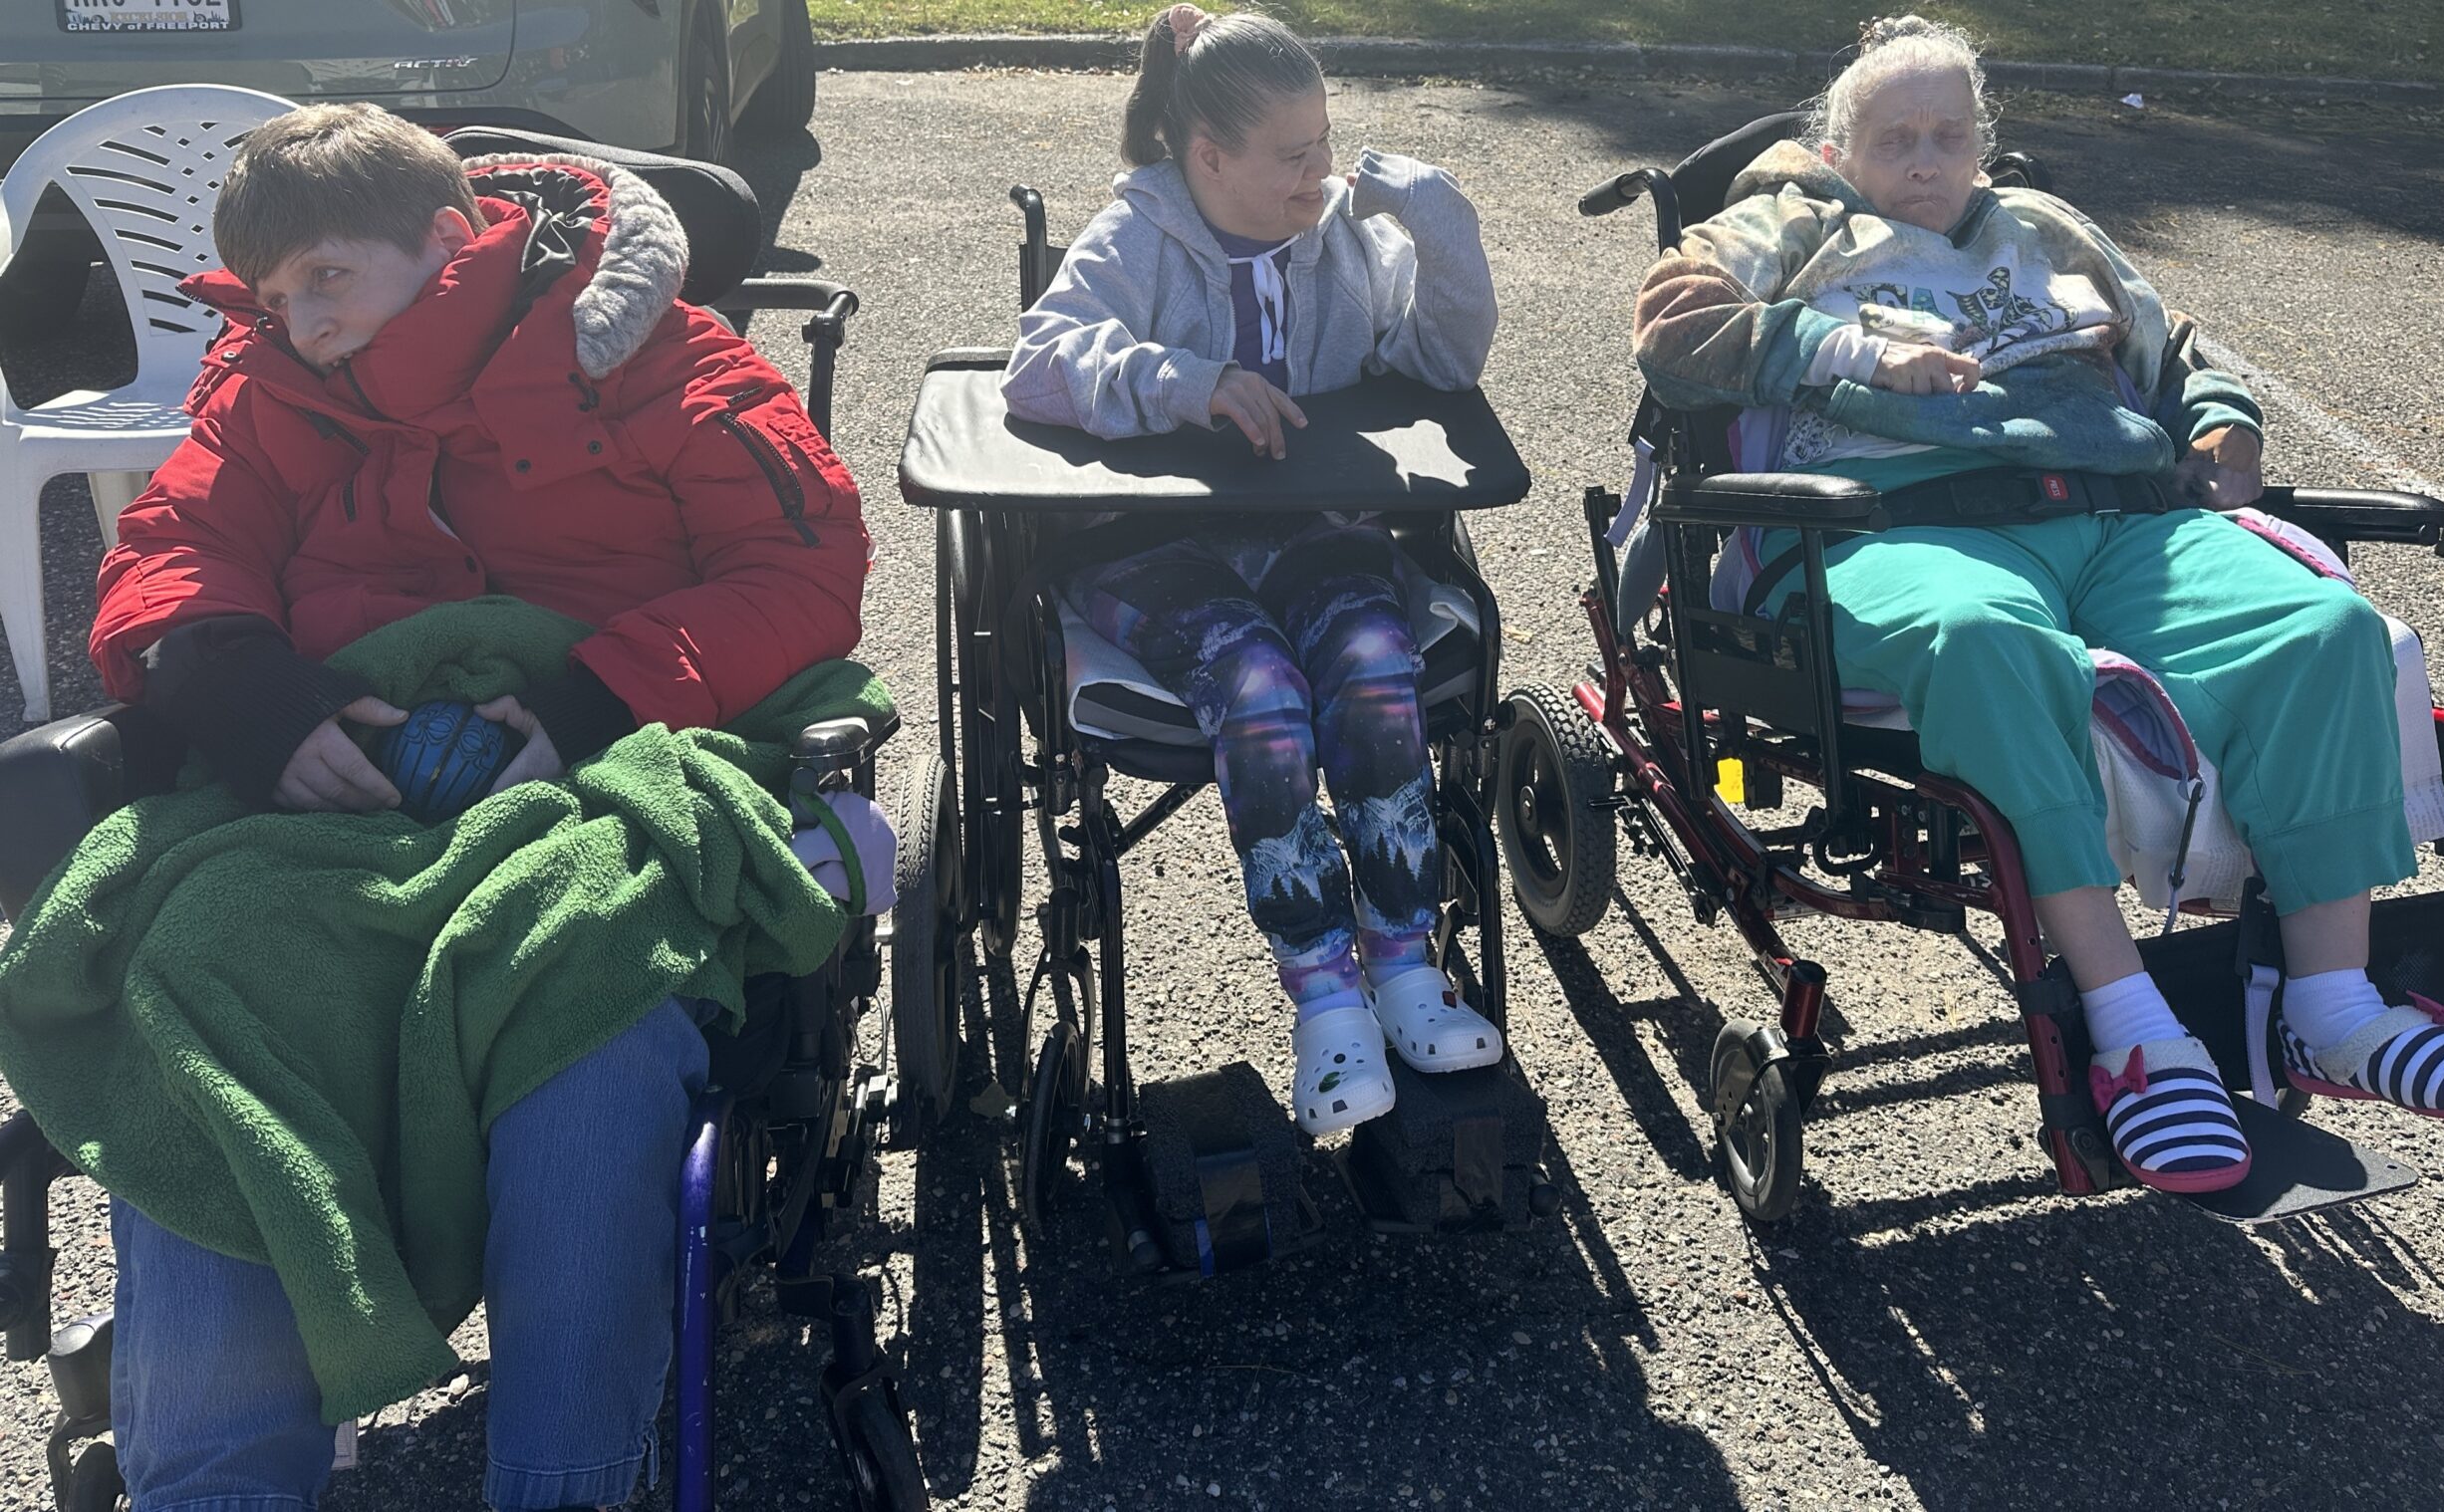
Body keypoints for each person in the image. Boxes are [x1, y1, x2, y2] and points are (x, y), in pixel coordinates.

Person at [83, 103, 871, 1510]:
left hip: (592, 767)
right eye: (274, 297)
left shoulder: (659, 358)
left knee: (589, 987)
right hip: (342, 787)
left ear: (452, 239)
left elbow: (801, 565)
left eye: (328, 276)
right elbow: (176, 551)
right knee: (196, 967)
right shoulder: (266, 388)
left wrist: (590, 703)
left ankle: (564, 1484)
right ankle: (213, 1491)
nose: (303, 322)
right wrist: (249, 694)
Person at [1631, 15, 2444, 1193]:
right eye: (1892, 137)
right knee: (1987, 640)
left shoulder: (2047, 231)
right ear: (1840, 147)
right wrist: (1852, 353)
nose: (1921, 157)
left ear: (1980, 144)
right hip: (1891, 524)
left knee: (2325, 630)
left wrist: (2222, 423)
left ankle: (2335, 1012)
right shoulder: (1787, 225)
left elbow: (2178, 356)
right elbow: (1673, 334)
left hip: (2113, 518)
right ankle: (2132, 1035)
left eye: (1945, 135)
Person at [1002, 4, 1502, 1133]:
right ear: (1206, 157)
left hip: (1307, 527)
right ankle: (1325, 1000)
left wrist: (1442, 235)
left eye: (1326, 142)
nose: (1320, 171)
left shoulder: (1339, 241)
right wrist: (1186, 381)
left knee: (1375, 656)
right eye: (1293, 155)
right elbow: (1038, 365)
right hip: (1146, 544)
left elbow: (1432, 365)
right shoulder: (1138, 233)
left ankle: (1406, 967)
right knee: (1261, 684)